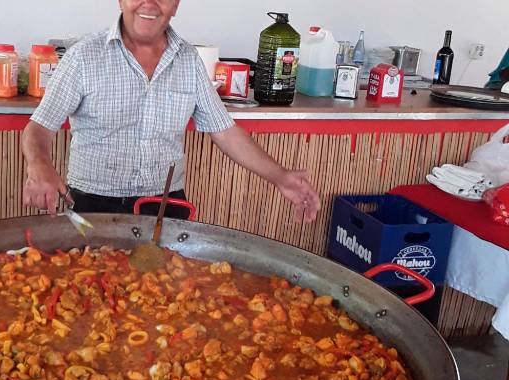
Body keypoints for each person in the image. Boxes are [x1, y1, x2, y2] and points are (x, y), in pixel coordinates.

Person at [21, 0, 321, 221]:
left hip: (166, 205)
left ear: (176, 5)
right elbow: (40, 127)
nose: (150, 3)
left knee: (171, 301)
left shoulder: (188, 60)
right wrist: (39, 164)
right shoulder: (83, 57)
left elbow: (225, 132)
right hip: (94, 204)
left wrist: (280, 176)